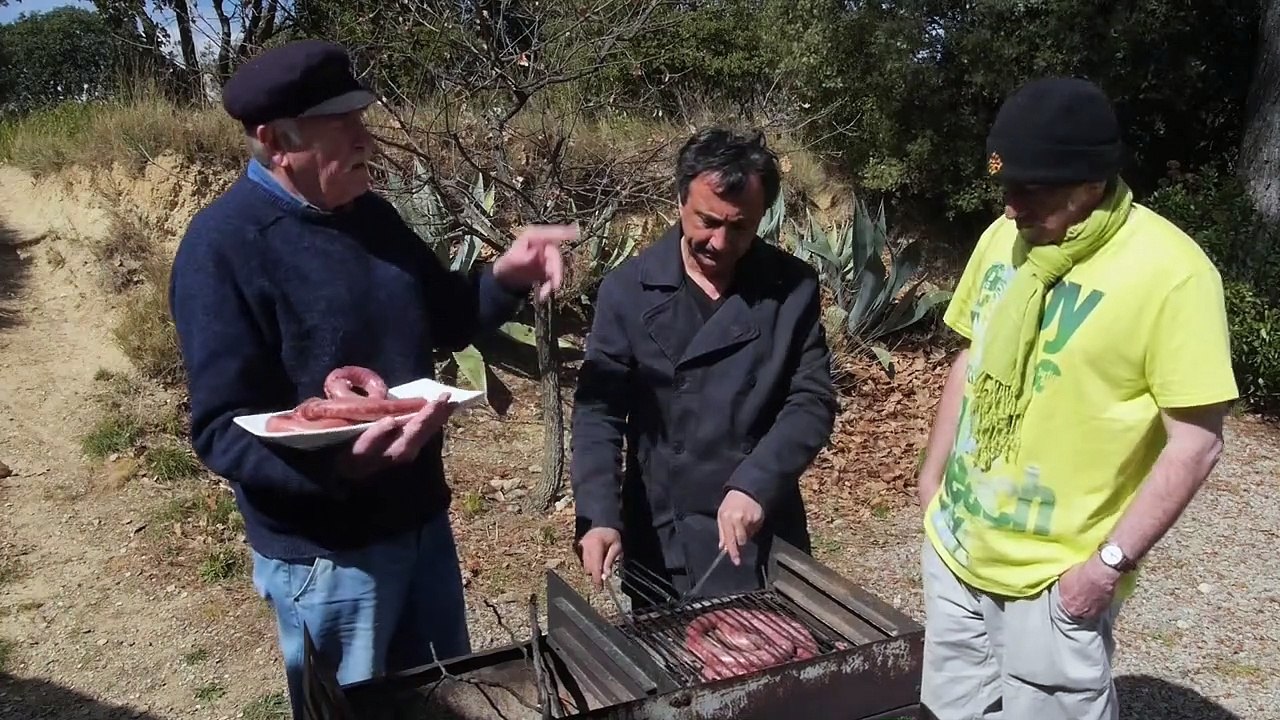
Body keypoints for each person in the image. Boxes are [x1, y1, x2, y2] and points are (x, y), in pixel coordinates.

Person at [168, 39, 572, 717]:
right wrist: (340, 471)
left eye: (362, 118)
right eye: (341, 126)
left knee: (447, 704)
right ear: (275, 142)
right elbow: (218, 430)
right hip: (328, 560)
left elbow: (444, 316)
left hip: (421, 527)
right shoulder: (222, 249)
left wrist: (506, 274)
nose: (366, 139)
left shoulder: (373, 216)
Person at [915, 76, 1239, 720]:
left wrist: (1106, 567)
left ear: (1092, 182)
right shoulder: (1002, 242)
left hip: (1055, 576)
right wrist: (933, 482)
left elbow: (1197, 444)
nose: (1010, 208)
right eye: (1004, 188)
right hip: (956, 549)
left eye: (1030, 190)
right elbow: (971, 358)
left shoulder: (1173, 274)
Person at [570, 127, 838, 605]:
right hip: (661, 530)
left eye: (740, 227)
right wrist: (599, 516)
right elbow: (599, 412)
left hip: (759, 529)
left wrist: (755, 484)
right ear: (679, 201)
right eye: (707, 221)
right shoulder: (627, 290)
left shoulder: (791, 288)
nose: (719, 242)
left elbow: (812, 401)